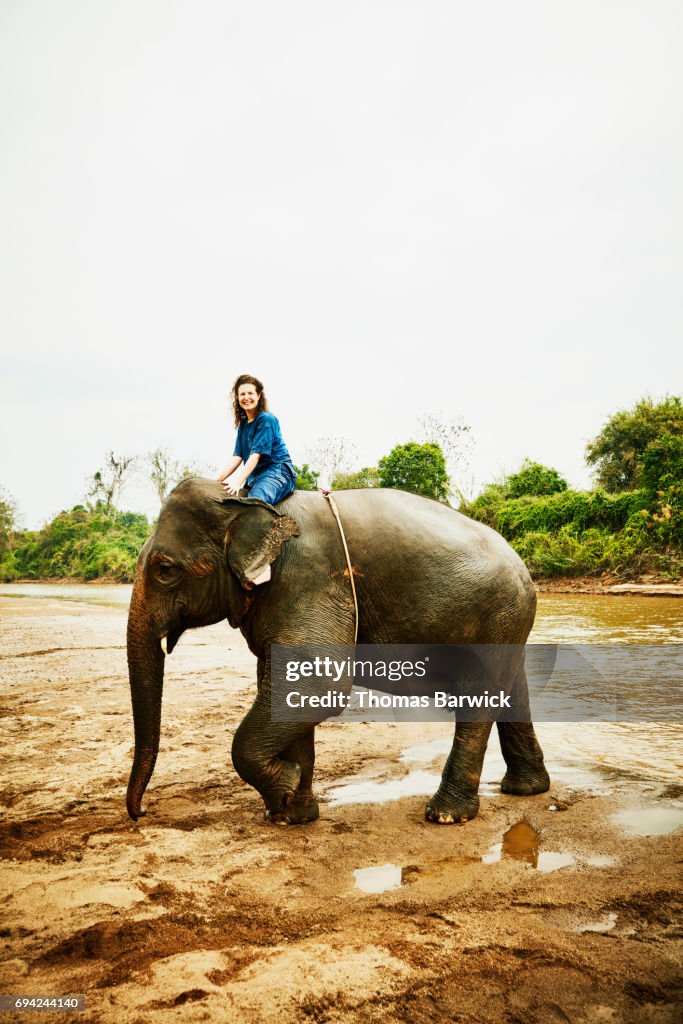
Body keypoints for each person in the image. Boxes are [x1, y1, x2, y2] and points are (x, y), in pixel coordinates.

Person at [217, 374, 297, 505]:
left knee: (253, 504)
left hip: (277, 472)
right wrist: (216, 481)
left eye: (250, 393)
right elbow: (237, 457)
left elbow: (255, 456)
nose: (246, 397)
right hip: (255, 477)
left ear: (258, 396)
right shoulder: (243, 424)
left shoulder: (267, 419)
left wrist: (237, 481)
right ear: (237, 398)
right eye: (242, 394)